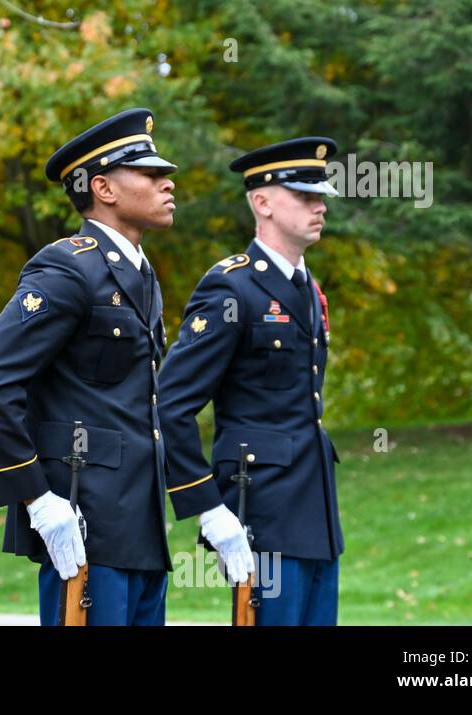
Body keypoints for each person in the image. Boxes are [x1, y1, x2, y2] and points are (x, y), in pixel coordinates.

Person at [0, 109, 252, 625]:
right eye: (149, 173)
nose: (167, 183)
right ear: (103, 187)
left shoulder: (140, 273)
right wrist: (36, 499)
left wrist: (205, 504)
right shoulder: (68, 268)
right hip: (83, 521)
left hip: (138, 526)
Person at [157, 136, 343, 625]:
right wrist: (208, 508)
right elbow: (170, 404)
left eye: (320, 195)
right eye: (304, 195)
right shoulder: (231, 286)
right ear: (261, 202)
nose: (319, 206)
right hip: (261, 513)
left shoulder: (308, 289)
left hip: (317, 513)